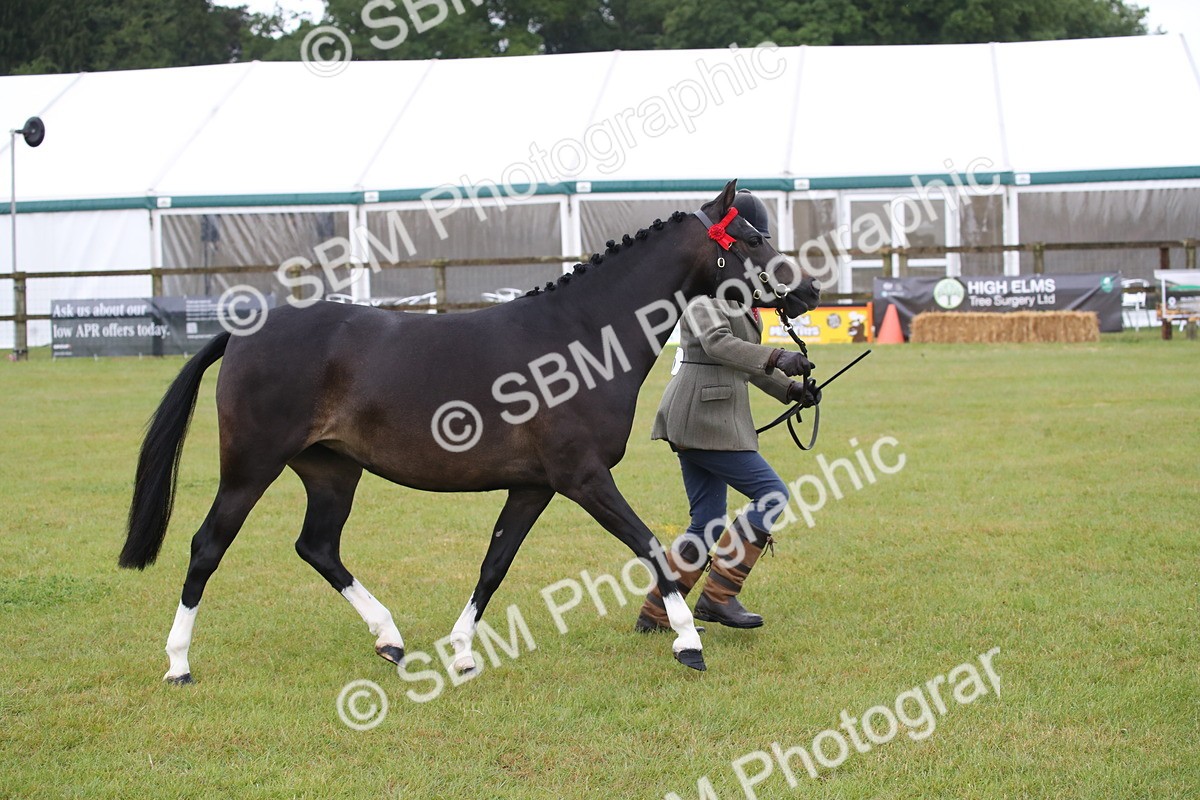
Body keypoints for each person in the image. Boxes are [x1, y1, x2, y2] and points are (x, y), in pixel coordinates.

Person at [636, 190, 820, 633]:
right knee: (772, 495)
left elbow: (742, 360)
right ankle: (720, 597)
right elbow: (718, 345)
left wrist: (791, 389)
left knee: (707, 521)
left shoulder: (737, 297)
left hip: (706, 418)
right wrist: (777, 357)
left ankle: (658, 612)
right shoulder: (701, 294)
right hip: (703, 419)